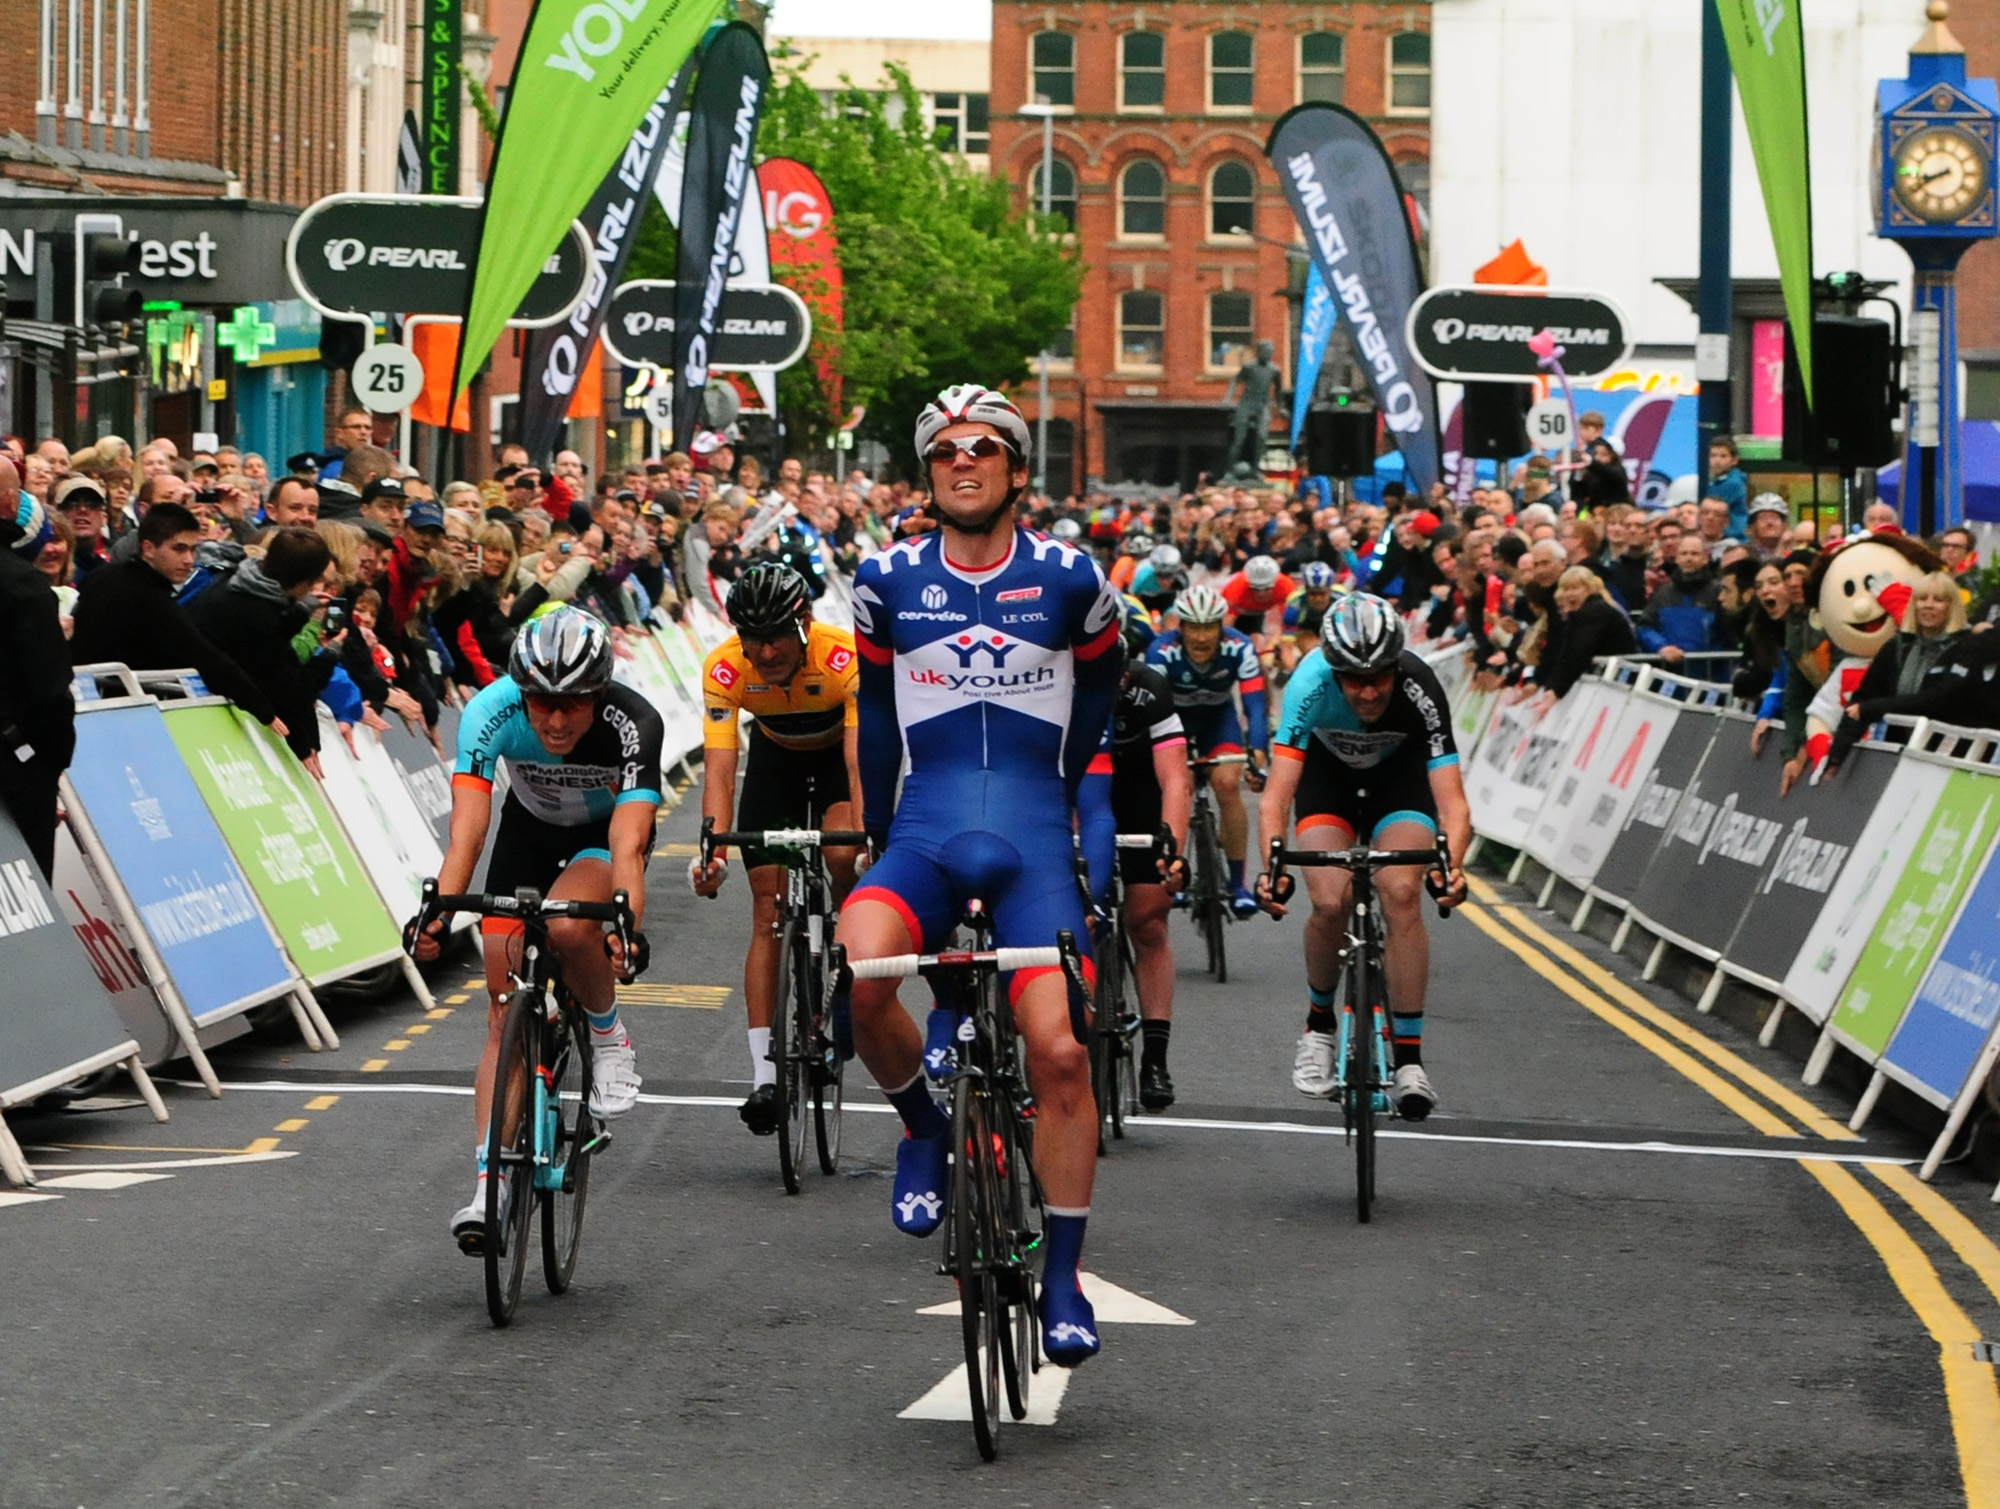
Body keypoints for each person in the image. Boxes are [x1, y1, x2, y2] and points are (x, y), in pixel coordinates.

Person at [838, 383, 1121, 1368]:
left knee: (1060, 1055)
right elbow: (874, 715)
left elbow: (1099, 702)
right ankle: (921, 1128)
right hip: (925, 830)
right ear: (928, 472)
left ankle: (1062, 1274)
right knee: (860, 974)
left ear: (1013, 467)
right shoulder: (882, 579)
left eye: (984, 448)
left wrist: (1066, 797)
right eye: (946, 450)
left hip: (1034, 843)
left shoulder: (1071, 579)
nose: (964, 462)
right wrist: (874, 829)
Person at [410, 609, 658, 1251]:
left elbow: (630, 844)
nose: (553, 720)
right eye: (540, 703)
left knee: (572, 930)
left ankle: (608, 1035)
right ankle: (489, 1187)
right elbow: (468, 830)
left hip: (601, 843)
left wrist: (625, 926)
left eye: (571, 705)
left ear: (598, 693)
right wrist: (439, 907)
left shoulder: (633, 723)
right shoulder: (490, 711)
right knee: (502, 1006)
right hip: (527, 833)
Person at [1255, 594, 1469, 1117]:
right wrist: (1273, 869)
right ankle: (1319, 1027)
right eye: (1354, 679)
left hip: (1400, 784)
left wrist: (1452, 866)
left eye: (1380, 676)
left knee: (1400, 892)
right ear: (1334, 669)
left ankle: (1410, 1061)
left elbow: (1454, 804)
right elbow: (1276, 799)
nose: (1369, 690)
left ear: (1398, 666)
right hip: (1328, 781)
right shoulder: (1309, 683)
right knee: (1329, 902)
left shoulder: (1420, 688)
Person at [689, 564, 864, 1136]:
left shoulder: (844, 657)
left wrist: (868, 840)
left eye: (776, 637)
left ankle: (844, 955)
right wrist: (711, 846)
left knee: (843, 856)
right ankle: (764, 1073)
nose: (763, 653)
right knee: (766, 911)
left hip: (839, 761)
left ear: (804, 622)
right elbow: (720, 769)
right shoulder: (724, 667)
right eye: (751, 638)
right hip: (776, 763)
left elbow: (863, 764)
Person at [1080, 619, 1192, 1108]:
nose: (1116, 685)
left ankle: (1155, 1057)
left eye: (1120, 675)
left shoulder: (1150, 689)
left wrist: (1173, 849)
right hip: (1086, 796)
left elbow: (1175, 781)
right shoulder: (1066, 689)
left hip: (1142, 798)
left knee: (1147, 923)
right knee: (1077, 914)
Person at [69, 502, 285, 735]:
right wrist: (264, 711)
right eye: (179, 549)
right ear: (148, 548)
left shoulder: (105, 576)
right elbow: (205, 656)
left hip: (85, 705)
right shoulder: (149, 598)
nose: (188, 560)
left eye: (193, 550)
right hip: (111, 719)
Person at [1146, 585, 1269, 918]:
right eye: (1194, 628)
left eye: (1209, 627)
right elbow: (1152, 710)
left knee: (1228, 785)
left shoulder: (1240, 647)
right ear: (1181, 627)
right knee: (1179, 788)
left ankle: (1238, 885)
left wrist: (1257, 752)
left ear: (1221, 626)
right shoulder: (1160, 651)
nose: (1201, 637)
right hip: (1175, 723)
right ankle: (1176, 871)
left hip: (1219, 720)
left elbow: (1255, 706)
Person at [186, 527, 339, 771]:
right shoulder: (258, 617)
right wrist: (331, 653)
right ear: (305, 582)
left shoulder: (236, 578)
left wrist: (299, 611)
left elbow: (273, 640)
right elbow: (287, 686)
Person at [0, 473, 74, 879]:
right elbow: (50, 691)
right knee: (23, 889)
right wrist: (52, 760)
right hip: (15, 762)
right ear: (12, 504)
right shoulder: (24, 584)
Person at [1534, 567, 1638, 701]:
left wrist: (1556, 690)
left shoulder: (1592, 613)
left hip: (1617, 682)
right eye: (1566, 589)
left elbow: (1577, 653)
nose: (1570, 594)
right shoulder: (1586, 612)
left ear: (1589, 589)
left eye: (1575, 588)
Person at [1636, 534, 1722, 667]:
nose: (1689, 558)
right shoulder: (1663, 593)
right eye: (1684, 553)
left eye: (1694, 553)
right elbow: (1645, 627)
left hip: (1710, 671)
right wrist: (1662, 647)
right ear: (1677, 558)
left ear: (1705, 558)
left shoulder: (1718, 592)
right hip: (1669, 672)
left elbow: (1727, 632)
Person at [1707, 438, 1750, 535]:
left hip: (1733, 536)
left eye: (1723, 456)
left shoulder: (1733, 483)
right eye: (1713, 455)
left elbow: (1714, 510)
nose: (1717, 460)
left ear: (1734, 460)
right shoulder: (1715, 482)